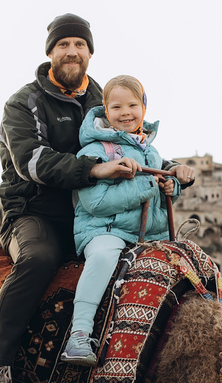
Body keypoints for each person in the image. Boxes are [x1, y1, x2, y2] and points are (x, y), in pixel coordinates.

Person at [0, 14, 194, 383]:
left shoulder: (103, 98)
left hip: (98, 211)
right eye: (63, 44)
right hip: (37, 211)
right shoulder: (24, 103)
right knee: (39, 259)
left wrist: (172, 170)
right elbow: (32, 162)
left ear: (90, 52)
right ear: (50, 52)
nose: (72, 51)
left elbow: (134, 142)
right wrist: (93, 170)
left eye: (79, 44)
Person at [60, 75, 195, 366]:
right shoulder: (95, 151)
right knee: (104, 255)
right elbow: (94, 203)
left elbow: (154, 195)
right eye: (117, 106)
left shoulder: (151, 150)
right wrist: (145, 186)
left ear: (143, 109)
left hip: (144, 234)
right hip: (103, 229)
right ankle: (79, 334)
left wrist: (171, 188)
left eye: (133, 105)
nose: (125, 113)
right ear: (105, 111)